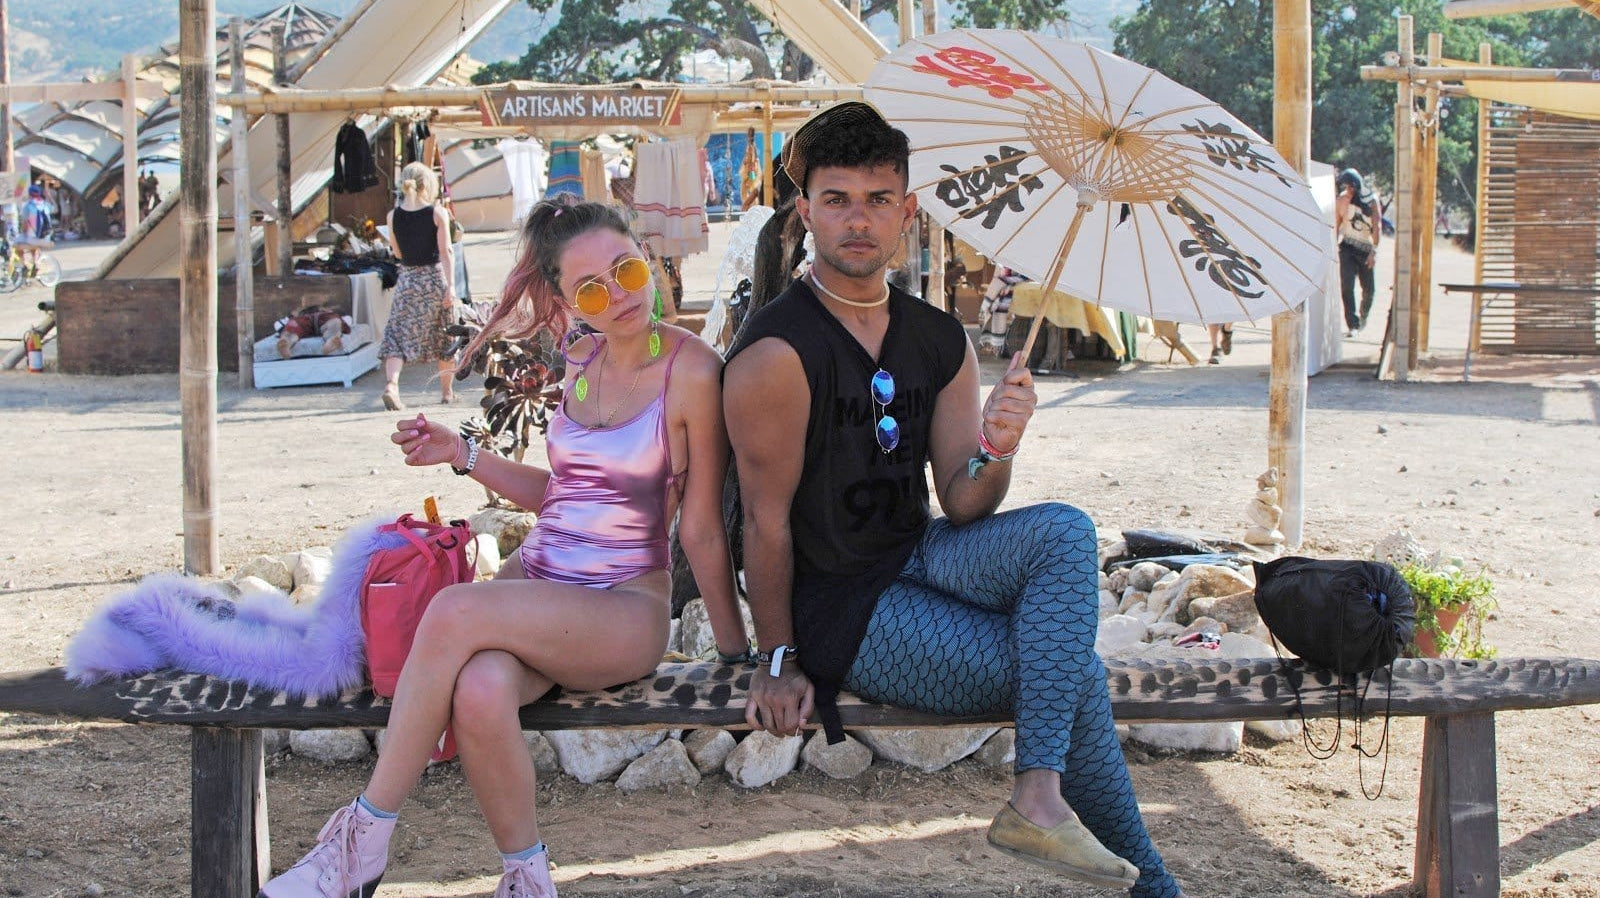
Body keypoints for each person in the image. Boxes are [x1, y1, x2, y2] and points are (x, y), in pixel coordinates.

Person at [723, 102, 1185, 898]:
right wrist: (776, 659)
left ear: (907, 210)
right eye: (836, 200)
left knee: (1065, 531)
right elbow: (762, 522)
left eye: (876, 199)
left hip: (926, 552)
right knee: (1065, 673)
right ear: (807, 212)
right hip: (843, 603)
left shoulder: (939, 338)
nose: (857, 220)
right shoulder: (776, 351)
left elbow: (967, 503)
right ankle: (1129, 867)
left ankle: (1046, 801)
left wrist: (998, 443)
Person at [258, 197, 749, 898]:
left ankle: (362, 842)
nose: (618, 296)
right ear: (566, 301)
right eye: (591, 289)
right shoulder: (580, 359)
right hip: (544, 590)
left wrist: (735, 657)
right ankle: (526, 878)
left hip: (620, 610)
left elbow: (698, 527)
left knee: (457, 610)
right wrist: (463, 454)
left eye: (627, 269)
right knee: (482, 690)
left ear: (649, 261)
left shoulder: (693, 369)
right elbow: (566, 497)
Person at [379, 162, 457, 410]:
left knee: (397, 335)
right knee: (445, 335)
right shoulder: (437, 213)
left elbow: (398, 253)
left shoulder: (393, 216)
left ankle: (392, 385)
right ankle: (447, 393)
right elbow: (446, 252)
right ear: (428, 184)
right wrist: (451, 287)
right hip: (433, 279)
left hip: (408, 280)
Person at [1335, 168, 1381, 336]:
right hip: (1347, 247)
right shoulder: (1342, 200)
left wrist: (1374, 251)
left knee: (1369, 289)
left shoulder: (1371, 201)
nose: (1349, 191)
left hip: (1365, 249)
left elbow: (1377, 226)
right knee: (1347, 287)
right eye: (1347, 187)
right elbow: (1337, 223)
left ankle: (1364, 315)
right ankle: (1352, 324)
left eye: (1351, 187)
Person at [17, 184, 54, 276]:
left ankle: (23, 265)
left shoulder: (28, 206)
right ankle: (36, 263)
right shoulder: (46, 204)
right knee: (33, 243)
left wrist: (23, 232)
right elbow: (55, 209)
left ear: (29, 194)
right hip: (46, 238)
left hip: (33, 239)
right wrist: (49, 196)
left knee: (17, 245)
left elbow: (24, 225)